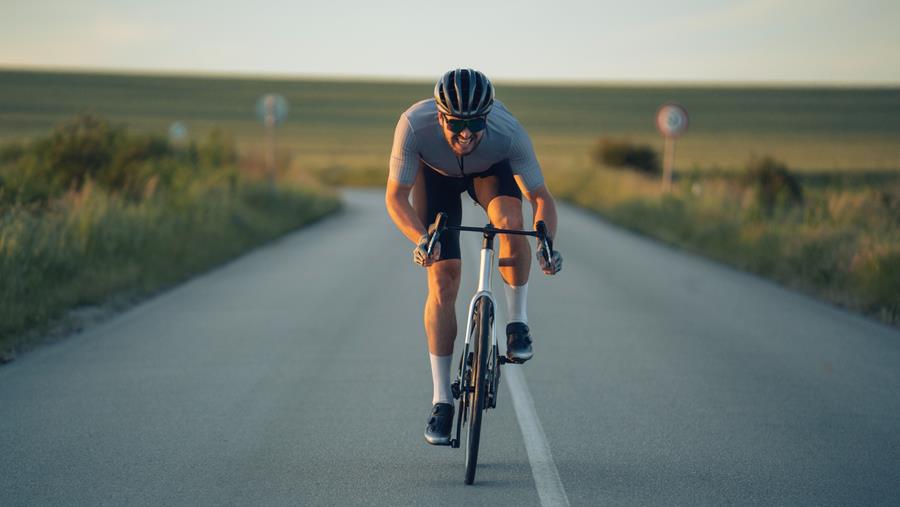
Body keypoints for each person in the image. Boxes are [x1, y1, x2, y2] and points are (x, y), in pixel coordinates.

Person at [385, 68, 563, 446]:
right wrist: (421, 239)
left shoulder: (508, 131)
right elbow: (396, 197)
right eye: (458, 123)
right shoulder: (413, 126)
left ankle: (517, 323)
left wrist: (546, 241)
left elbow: (541, 198)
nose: (466, 133)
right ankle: (442, 400)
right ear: (440, 117)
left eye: (476, 123)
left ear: (489, 115)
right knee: (443, 277)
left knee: (512, 224)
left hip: (490, 173)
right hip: (435, 179)